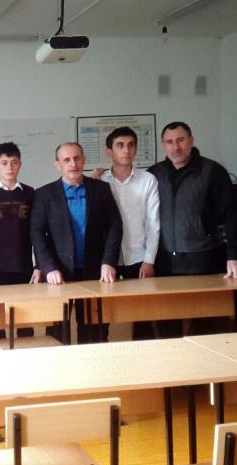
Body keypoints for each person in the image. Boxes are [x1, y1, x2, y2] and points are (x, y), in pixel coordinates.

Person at [148, 121, 237, 336]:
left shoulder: (213, 171)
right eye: (169, 142)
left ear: (191, 141)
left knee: (204, 324)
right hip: (164, 261)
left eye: (181, 140)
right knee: (166, 321)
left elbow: (232, 215)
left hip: (203, 259)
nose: (176, 147)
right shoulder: (154, 173)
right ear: (163, 145)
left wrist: (234, 256)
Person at [30, 142, 123, 343]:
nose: (73, 164)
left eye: (77, 158)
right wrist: (48, 267)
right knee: (57, 332)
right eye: (66, 160)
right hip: (58, 274)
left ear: (84, 160)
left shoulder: (101, 189)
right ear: (58, 164)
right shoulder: (44, 194)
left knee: (95, 330)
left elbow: (115, 226)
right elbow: (37, 233)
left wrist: (108, 262)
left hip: (96, 272)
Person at [89, 127, 160, 339]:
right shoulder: (98, 181)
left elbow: (153, 223)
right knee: (102, 317)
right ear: (109, 151)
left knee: (142, 316)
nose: (126, 150)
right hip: (105, 258)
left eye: (131, 145)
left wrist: (149, 260)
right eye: (120, 145)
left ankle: (143, 355)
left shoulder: (148, 180)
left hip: (138, 257)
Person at [0, 142, 40, 337]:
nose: (9, 167)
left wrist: (39, 266)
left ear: (20, 164)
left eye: (14, 162)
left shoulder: (30, 193)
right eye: (4, 163)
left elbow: (37, 233)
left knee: (25, 321)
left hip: (24, 267)